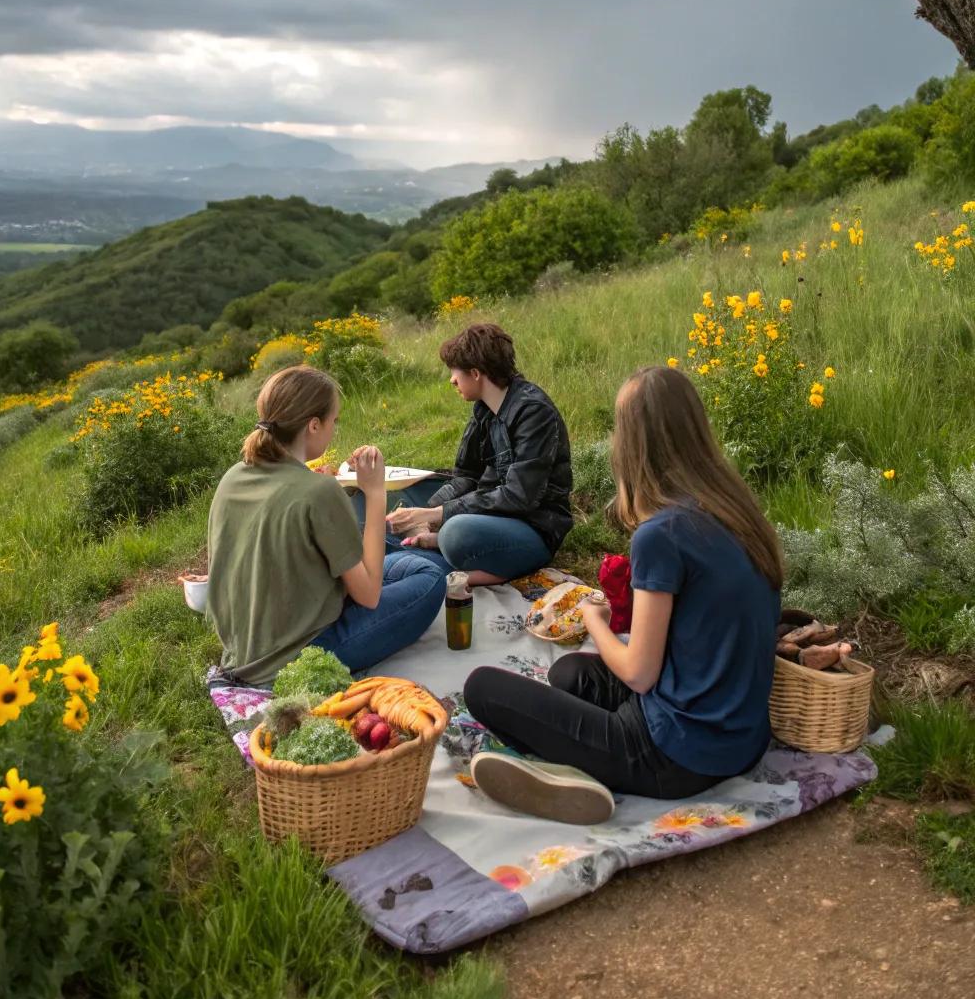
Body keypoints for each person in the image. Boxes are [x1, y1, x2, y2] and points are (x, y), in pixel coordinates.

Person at [463, 364, 783, 823]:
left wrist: (594, 619)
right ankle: (580, 763)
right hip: (741, 739)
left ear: (633, 442)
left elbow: (638, 674)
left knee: (484, 689)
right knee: (571, 674)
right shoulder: (734, 508)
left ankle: (576, 780)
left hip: (675, 755)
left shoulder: (661, 533)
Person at [206, 365, 446, 686]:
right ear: (314, 425)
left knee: (408, 563)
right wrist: (374, 493)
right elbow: (369, 596)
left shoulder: (234, 475)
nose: (335, 427)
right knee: (430, 579)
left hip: (243, 645)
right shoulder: (319, 492)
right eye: (334, 420)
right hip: (294, 656)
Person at [386, 322, 574, 585]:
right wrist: (422, 514)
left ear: (475, 373)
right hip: (487, 517)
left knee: (454, 533)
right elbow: (466, 476)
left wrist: (437, 517)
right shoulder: (484, 409)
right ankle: (432, 554)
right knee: (394, 504)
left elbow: (519, 496)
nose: (452, 379)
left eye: (455, 372)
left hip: (533, 528)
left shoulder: (534, 412)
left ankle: (455, 559)